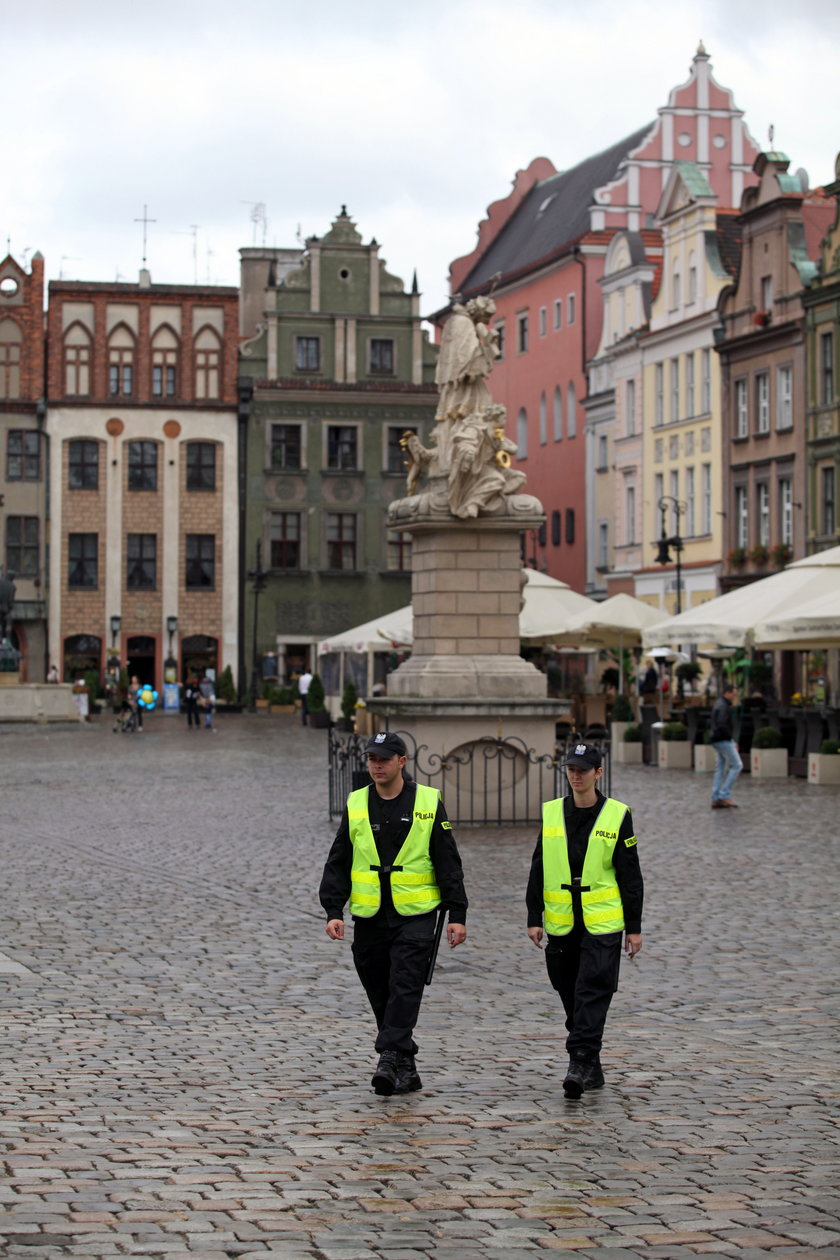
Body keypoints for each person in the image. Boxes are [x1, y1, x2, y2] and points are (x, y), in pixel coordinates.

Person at [319, 731, 468, 1096]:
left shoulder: (427, 802)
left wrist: (457, 913)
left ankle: (387, 1057)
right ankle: (407, 1064)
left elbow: (447, 860)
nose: (377, 765)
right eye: (372, 759)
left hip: (416, 914)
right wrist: (333, 910)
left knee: (405, 985)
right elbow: (339, 859)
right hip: (369, 915)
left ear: (402, 761)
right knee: (379, 989)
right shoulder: (356, 803)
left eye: (384, 759)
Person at [526, 742, 643, 1099]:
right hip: (562, 921)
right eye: (571, 769)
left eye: (583, 770)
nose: (576, 776)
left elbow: (630, 874)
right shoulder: (552, 814)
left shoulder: (617, 815)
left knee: (593, 988)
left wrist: (634, 927)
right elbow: (538, 866)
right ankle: (590, 1059)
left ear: (598, 773)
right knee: (569, 992)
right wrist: (534, 915)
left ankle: (578, 1061)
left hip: (603, 922)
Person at [710, 682, 740, 808]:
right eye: (733, 694)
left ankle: (716, 797)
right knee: (737, 765)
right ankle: (724, 794)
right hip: (723, 739)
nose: (734, 697)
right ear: (727, 693)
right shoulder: (724, 706)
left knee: (720, 767)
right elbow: (722, 724)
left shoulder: (719, 704)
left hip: (716, 739)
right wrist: (731, 740)